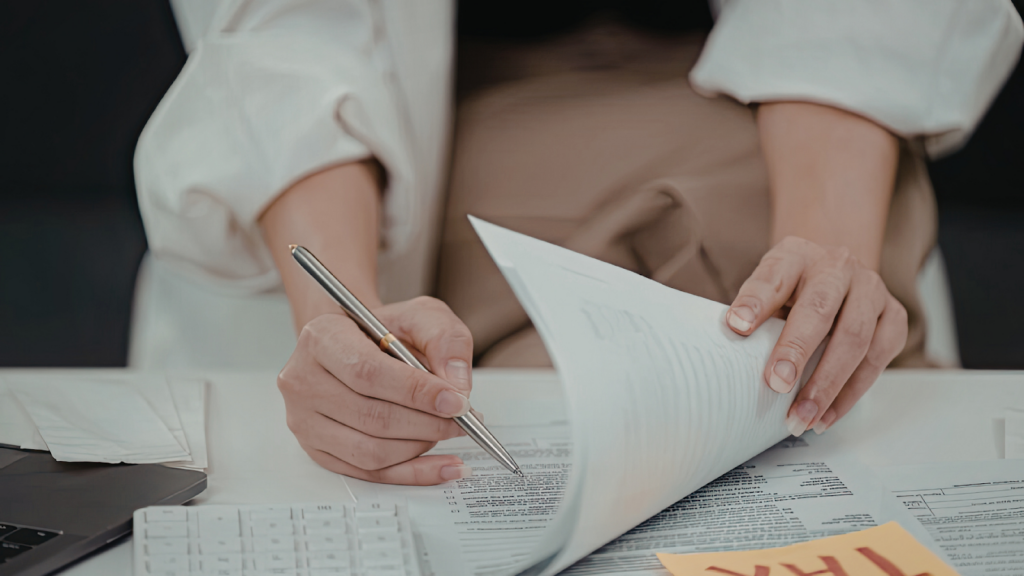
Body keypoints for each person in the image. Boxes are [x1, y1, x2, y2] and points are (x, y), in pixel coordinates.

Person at [133, 0, 1023, 485]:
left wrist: (825, 260)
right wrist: (348, 327)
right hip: (408, 147)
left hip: (779, 122)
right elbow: (292, 38)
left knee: (832, 442)